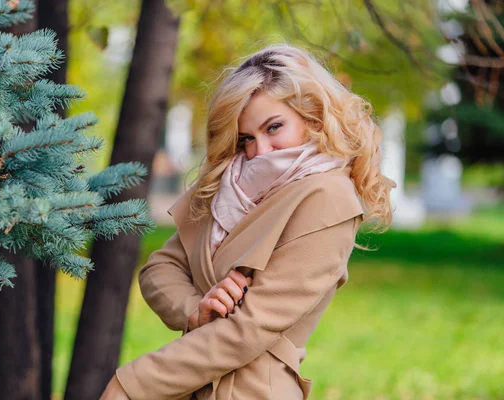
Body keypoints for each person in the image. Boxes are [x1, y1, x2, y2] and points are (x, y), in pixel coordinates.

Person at [101, 44, 395, 400]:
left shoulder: (328, 197)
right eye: (246, 138)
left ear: (313, 115)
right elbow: (159, 268)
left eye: (274, 127)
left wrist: (132, 384)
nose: (261, 152)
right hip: (191, 385)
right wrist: (195, 309)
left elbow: (249, 329)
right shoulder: (231, 183)